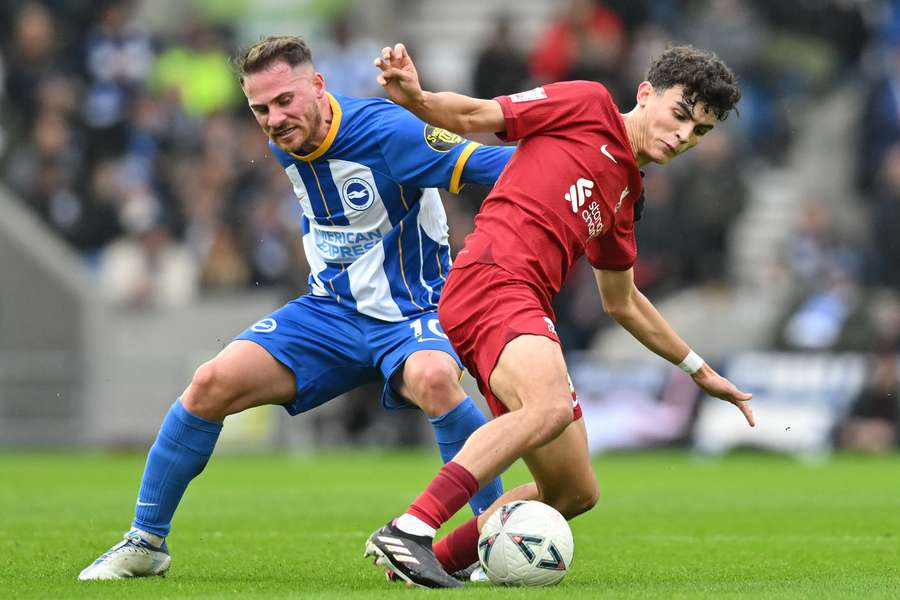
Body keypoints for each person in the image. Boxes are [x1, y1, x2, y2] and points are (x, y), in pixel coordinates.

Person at [78, 35, 513, 580]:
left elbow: (498, 165)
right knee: (209, 383)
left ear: (318, 86)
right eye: (260, 108)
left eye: (284, 100)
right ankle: (145, 544)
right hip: (330, 311)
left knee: (434, 378)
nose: (274, 118)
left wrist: (592, 172)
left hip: (413, 310)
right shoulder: (289, 138)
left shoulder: (386, 131)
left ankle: (490, 539)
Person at [364, 43, 755, 588]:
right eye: (681, 116)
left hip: (522, 302)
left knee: (574, 492)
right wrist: (419, 98)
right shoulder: (588, 104)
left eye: (700, 132)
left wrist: (699, 370)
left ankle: (438, 560)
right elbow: (479, 116)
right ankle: (410, 529)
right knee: (547, 407)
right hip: (492, 277)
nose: (685, 136)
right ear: (646, 94)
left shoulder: (627, 192)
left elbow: (621, 300)